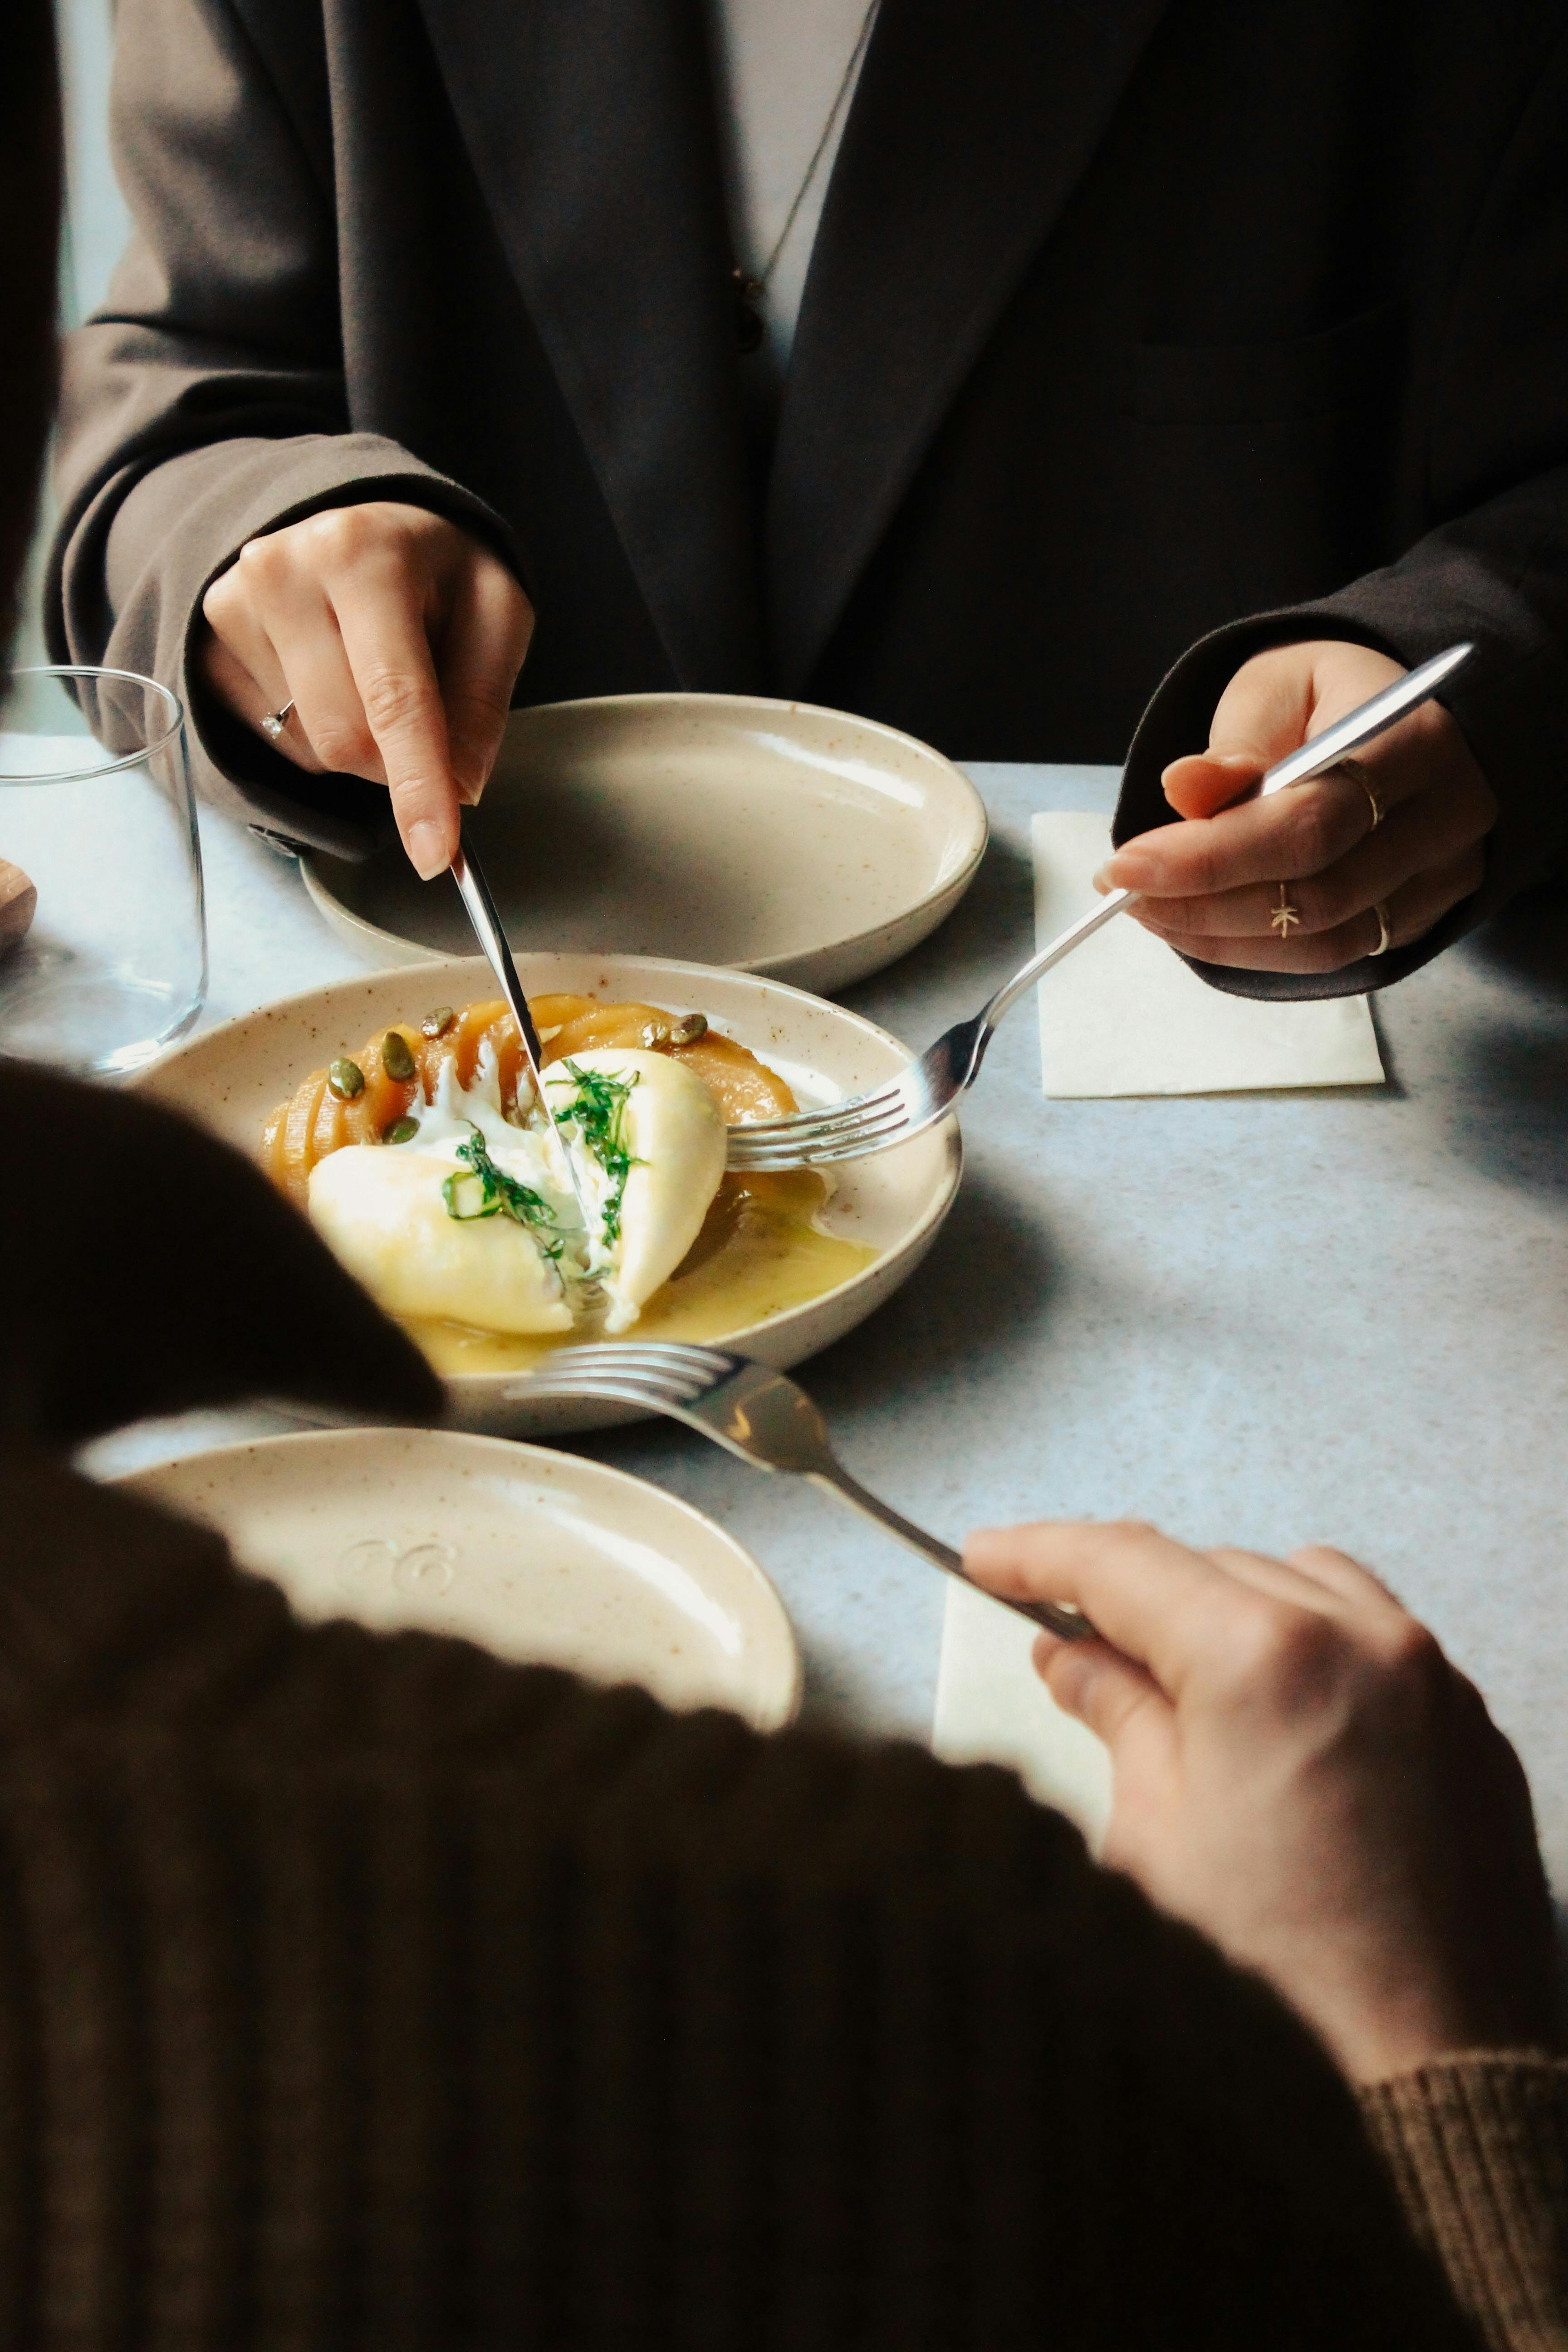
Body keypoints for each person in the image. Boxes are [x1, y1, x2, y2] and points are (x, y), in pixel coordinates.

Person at [48, 0, 1568, 997]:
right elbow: (174, 392)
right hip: (453, 1043)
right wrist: (252, 546)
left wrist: (1470, 678)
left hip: (1229, 1137)